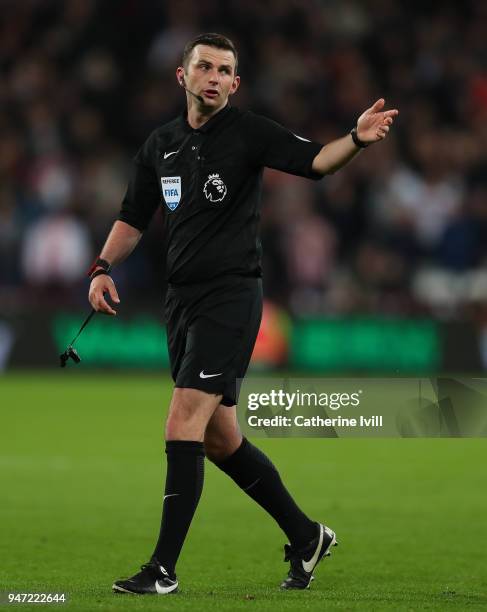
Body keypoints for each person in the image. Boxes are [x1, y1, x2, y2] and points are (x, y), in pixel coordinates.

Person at [87, 33, 398, 595]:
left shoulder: (250, 132)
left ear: (235, 83)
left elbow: (315, 161)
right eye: (203, 66)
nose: (213, 76)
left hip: (231, 297)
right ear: (182, 77)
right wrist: (102, 268)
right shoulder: (160, 145)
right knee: (218, 439)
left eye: (224, 70)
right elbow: (133, 217)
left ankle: (162, 570)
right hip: (180, 302)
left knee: (182, 422)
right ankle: (307, 537)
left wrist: (355, 137)